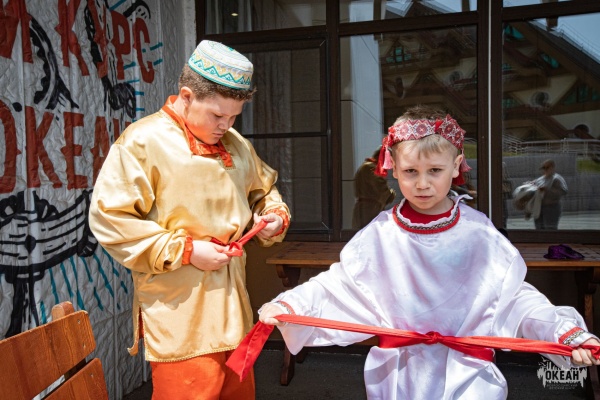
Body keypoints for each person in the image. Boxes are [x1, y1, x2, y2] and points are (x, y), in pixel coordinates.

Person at [258, 105, 599, 400]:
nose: (422, 184)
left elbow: (514, 298)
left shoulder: (478, 232)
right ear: (393, 169)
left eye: (435, 170)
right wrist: (292, 305)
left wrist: (564, 332)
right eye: (410, 172)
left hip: (468, 373)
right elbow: (339, 286)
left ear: (456, 165)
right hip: (400, 374)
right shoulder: (381, 233)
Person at [89, 40, 291, 399]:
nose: (226, 125)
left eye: (234, 117)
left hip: (234, 307)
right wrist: (187, 250)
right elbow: (110, 218)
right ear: (187, 96)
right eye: (217, 115)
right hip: (181, 312)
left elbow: (263, 189)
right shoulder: (143, 142)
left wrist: (273, 215)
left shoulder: (235, 143)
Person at [352, 147, 396, 229]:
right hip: (370, 210)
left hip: (364, 209)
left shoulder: (365, 167)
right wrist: (392, 194)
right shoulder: (372, 168)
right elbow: (383, 191)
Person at [532, 159, 568, 230]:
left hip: (551, 208)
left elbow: (563, 191)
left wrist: (547, 190)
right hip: (539, 208)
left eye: (547, 168)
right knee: (539, 229)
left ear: (552, 167)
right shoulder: (540, 179)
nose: (545, 170)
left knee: (550, 229)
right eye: (543, 168)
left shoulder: (557, 179)